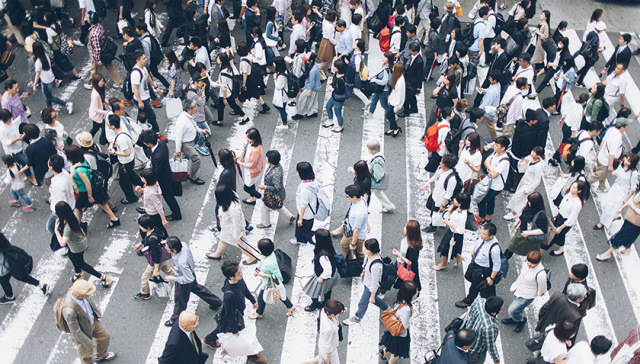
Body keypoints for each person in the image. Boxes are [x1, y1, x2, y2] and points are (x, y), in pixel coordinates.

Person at [201, 261, 267, 364]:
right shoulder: (229, 295)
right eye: (238, 273)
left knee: (222, 328)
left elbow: (245, 290)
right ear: (231, 277)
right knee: (242, 334)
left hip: (237, 313)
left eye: (240, 271)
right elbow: (229, 314)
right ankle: (252, 354)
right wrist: (234, 329)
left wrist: (253, 300)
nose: (241, 274)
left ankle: (208, 339)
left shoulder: (238, 280)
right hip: (235, 317)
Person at [164, 237, 222, 327]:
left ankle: (176, 318)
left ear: (174, 250)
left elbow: (188, 279)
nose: (165, 248)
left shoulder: (181, 262)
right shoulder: (184, 245)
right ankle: (216, 302)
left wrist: (173, 278)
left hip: (184, 280)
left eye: (167, 247)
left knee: (180, 301)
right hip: (191, 272)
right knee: (197, 288)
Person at [54, 201, 113, 286]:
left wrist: (56, 231)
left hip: (77, 247)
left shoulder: (67, 228)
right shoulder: (74, 215)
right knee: (71, 255)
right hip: (80, 240)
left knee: (81, 263)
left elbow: (62, 243)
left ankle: (102, 277)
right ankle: (78, 272)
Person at [60, 280, 117, 364]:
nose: (89, 295)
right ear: (78, 296)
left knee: (105, 336)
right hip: (82, 331)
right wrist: (88, 343)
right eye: (86, 295)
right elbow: (76, 332)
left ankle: (101, 354)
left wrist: (96, 310)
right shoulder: (69, 312)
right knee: (85, 353)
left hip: (92, 321)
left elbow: (88, 300)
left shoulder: (78, 290)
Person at [65, 145, 119, 226]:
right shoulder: (82, 161)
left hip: (85, 191)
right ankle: (114, 218)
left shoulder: (79, 170)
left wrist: (89, 196)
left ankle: (77, 225)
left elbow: (87, 184)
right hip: (93, 188)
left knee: (78, 207)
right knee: (101, 202)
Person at [343, 239, 390, 325]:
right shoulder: (370, 256)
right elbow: (365, 265)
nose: (363, 249)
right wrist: (363, 272)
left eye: (366, 248)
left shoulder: (376, 266)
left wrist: (372, 295)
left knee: (363, 302)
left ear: (371, 250)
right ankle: (388, 309)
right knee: (374, 299)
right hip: (367, 282)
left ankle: (357, 317)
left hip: (370, 286)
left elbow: (375, 283)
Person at [139, 130, 182, 220]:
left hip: (163, 180)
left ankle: (176, 214)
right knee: (167, 196)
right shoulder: (162, 144)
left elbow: (155, 173)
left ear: (148, 143)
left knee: (169, 197)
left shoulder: (157, 157)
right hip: (167, 173)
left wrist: (146, 182)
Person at [249, 238, 296, 319]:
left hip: (268, 283)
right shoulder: (270, 255)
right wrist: (258, 269)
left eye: (259, 248)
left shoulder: (270, 264)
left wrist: (263, 274)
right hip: (268, 283)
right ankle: (291, 307)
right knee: (281, 295)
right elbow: (261, 262)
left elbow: (277, 276)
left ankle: (259, 313)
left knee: (262, 297)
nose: (257, 249)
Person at [502, 250, 548, 334]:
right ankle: (515, 319)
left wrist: (537, 294)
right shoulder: (526, 264)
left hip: (527, 295)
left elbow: (542, 288)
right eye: (528, 261)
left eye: (533, 263)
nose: (529, 264)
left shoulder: (541, 273)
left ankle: (521, 320)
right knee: (517, 309)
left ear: (539, 262)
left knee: (511, 310)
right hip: (518, 288)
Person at [132, 214, 174, 301]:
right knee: (168, 270)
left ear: (147, 227)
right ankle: (182, 279)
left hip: (156, 261)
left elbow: (155, 254)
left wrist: (156, 269)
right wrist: (140, 244)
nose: (140, 227)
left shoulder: (152, 240)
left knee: (145, 278)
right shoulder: (154, 229)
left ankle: (145, 293)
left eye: (141, 226)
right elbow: (146, 238)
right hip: (162, 258)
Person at [0, 232, 50, 304]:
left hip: (4, 265)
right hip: (11, 259)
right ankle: (41, 285)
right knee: (21, 276)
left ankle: (9, 297)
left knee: (4, 280)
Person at [594, 153, 639, 230]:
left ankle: (602, 224)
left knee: (610, 208)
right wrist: (615, 173)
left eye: (629, 161)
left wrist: (627, 199)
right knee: (605, 203)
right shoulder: (622, 164)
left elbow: (633, 187)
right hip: (616, 187)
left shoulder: (634, 173)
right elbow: (617, 172)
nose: (626, 161)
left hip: (622, 192)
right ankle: (614, 217)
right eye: (626, 159)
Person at [106, 114, 144, 204]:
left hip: (126, 162)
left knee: (124, 182)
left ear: (113, 126)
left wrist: (114, 152)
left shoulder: (121, 139)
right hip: (129, 161)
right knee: (131, 176)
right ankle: (144, 186)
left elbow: (126, 153)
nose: (107, 125)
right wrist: (112, 145)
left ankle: (131, 197)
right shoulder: (121, 130)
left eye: (108, 124)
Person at [596, 184, 640, 261]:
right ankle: (627, 248)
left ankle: (608, 253)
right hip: (630, 217)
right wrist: (622, 207)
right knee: (628, 235)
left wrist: (632, 207)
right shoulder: (638, 190)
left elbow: (632, 204)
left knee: (621, 235)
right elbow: (632, 199)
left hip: (636, 222)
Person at [543, 180, 587, 256]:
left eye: (574, 187)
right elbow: (563, 204)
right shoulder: (569, 194)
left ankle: (542, 249)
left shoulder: (577, 204)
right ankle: (561, 249)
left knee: (553, 236)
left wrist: (561, 228)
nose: (571, 188)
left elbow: (571, 219)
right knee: (559, 235)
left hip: (565, 222)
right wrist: (559, 212)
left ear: (579, 191)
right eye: (572, 186)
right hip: (560, 217)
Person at [379, 281, 419, 363]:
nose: (417, 294)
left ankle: (383, 353)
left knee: (391, 345)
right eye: (415, 293)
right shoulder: (406, 309)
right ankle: (390, 362)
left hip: (393, 329)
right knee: (397, 352)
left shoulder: (400, 299)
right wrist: (414, 315)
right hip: (400, 335)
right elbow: (404, 326)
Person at [85, 12, 123, 89]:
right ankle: (119, 82)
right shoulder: (99, 26)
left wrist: (98, 59)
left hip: (97, 55)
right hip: (105, 52)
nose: (87, 19)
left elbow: (97, 48)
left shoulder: (94, 33)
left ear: (92, 20)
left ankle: (92, 83)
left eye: (88, 18)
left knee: (94, 70)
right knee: (110, 67)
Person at [477, 137, 510, 224]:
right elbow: (485, 162)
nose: (494, 146)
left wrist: (490, 168)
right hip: (491, 183)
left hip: (496, 186)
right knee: (491, 200)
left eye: (496, 145)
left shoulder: (504, 161)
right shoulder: (495, 153)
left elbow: (494, 175)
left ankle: (482, 219)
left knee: (481, 201)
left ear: (503, 148)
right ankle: (488, 217)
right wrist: (491, 168)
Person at [258, 150, 295, 228]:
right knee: (277, 205)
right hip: (275, 195)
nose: (266, 158)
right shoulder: (274, 166)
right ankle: (290, 216)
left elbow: (277, 187)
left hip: (273, 194)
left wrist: (265, 187)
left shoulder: (276, 172)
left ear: (271, 160)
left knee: (265, 208)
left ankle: (266, 224)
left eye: (267, 158)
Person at [505, 147, 545, 219]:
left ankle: (514, 213)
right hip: (524, 181)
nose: (532, 152)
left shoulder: (538, 167)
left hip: (528, 185)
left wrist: (528, 189)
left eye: (534, 152)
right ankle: (518, 211)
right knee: (521, 199)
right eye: (532, 150)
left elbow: (537, 181)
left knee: (517, 198)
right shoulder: (530, 158)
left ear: (538, 156)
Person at [303, 229, 338, 311]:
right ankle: (326, 302)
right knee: (327, 289)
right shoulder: (328, 247)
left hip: (323, 276)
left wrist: (321, 277)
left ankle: (314, 304)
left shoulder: (322, 255)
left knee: (313, 290)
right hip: (331, 275)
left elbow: (327, 269)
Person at [422, 154, 458, 233]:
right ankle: (441, 222)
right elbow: (435, 176)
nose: (440, 163)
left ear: (447, 165)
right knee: (429, 206)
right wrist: (427, 183)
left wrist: (443, 205)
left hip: (440, 200)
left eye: (442, 162)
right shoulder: (440, 168)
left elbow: (448, 194)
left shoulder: (451, 179)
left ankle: (433, 227)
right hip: (435, 194)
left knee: (434, 214)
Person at [213, 52, 251, 126]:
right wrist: (217, 82)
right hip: (229, 91)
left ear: (221, 61)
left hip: (226, 93)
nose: (217, 59)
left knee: (221, 107)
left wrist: (224, 98)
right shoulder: (227, 67)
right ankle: (245, 117)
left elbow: (224, 85)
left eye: (218, 58)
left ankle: (220, 121)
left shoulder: (224, 71)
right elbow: (224, 80)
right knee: (233, 105)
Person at [32, 42, 72, 112]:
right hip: (51, 78)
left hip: (45, 81)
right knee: (48, 96)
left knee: (48, 98)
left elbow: (37, 74)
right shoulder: (46, 55)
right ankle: (49, 110)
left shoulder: (38, 62)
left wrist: (34, 84)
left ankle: (66, 104)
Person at [174, 99, 206, 185]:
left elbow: (194, 126)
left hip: (190, 142)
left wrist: (200, 131)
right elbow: (178, 137)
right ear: (189, 109)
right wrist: (178, 150)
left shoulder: (188, 116)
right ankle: (193, 177)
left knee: (184, 158)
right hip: (186, 144)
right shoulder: (182, 121)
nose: (196, 108)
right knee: (196, 159)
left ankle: (181, 174)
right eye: (195, 107)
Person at [331, 184, 369, 258]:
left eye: (347, 196)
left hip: (357, 236)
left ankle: (358, 265)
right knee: (343, 244)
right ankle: (349, 261)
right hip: (350, 231)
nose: (346, 198)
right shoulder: (361, 199)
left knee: (358, 253)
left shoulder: (359, 213)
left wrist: (353, 243)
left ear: (354, 197)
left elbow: (357, 230)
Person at [435, 193, 469, 270]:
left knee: (445, 248)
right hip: (454, 233)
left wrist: (447, 222)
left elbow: (458, 229)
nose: (454, 200)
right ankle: (458, 258)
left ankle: (443, 264)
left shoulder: (461, 215)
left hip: (455, 234)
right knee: (455, 248)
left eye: (456, 199)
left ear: (461, 203)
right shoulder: (460, 209)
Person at [464, 296, 503, 364]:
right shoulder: (489, 327)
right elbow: (490, 346)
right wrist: (496, 361)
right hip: (476, 350)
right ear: (493, 313)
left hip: (467, 336)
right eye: (501, 309)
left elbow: (470, 314)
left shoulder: (479, 301)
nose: (501, 311)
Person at [306, 299, 346, 364]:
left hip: (322, 343)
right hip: (330, 349)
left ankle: (310, 363)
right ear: (333, 315)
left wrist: (341, 311)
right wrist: (328, 357)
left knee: (321, 356)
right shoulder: (329, 329)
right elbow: (327, 344)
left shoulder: (324, 311)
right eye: (339, 313)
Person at [130, 50, 160, 133]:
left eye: (145, 58)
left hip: (145, 96)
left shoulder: (143, 67)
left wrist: (156, 87)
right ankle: (156, 132)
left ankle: (137, 129)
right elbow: (135, 88)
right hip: (141, 98)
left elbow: (148, 77)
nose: (146, 60)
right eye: (143, 59)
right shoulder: (136, 73)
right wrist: (140, 101)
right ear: (137, 60)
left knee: (142, 115)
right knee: (151, 116)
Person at [292, 162, 318, 245]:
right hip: (311, 211)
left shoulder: (305, 189)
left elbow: (304, 204)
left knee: (301, 228)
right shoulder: (313, 181)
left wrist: (300, 218)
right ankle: (303, 239)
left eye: (297, 171)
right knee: (306, 227)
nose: (297, 173)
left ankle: (307, 240)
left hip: (305, 213)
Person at [366, 139, 396, 212]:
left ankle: (363, 209)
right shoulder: (379, 155)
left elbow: (377, 175)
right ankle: (389, 206)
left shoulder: (376, 161)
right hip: (376, 181)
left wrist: (374, 180)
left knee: (365, 194)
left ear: (371, 150)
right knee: (378, 192)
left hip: (374, 181)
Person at [186, 76, 212, 156]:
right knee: (206, 132)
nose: (203, 83)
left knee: (198, 131)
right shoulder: (193, 95)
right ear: (196, 82)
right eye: (201, 82)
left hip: (197, 115)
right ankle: (199, 145)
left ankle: (196, 144)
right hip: (198, 116)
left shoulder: (194, 88)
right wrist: (203, 93)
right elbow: (202, 103)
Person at [363, 52, 393, 120]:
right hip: (379, 88)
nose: (383, 58)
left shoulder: (387, 70)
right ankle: (370, 114)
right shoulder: (384, 65)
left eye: (385, 57)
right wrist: (376, 75)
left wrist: (375, 80)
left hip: (383, 90)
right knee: (373, 101)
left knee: (384, 105)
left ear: (388, 59)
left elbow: (384, 82)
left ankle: (392, 115)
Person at [237, 128, 264, 204]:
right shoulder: (252, 143)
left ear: (253, 139)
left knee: (247, 188)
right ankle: (252, 199)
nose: (247, 139)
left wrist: (240, 163)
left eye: (248, 138)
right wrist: (239, 157)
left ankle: (262, 197)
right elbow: (246, 152)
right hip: (249, 169)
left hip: (253, 171)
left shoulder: (256, 150)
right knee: (251, 184)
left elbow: (252, 165)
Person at [293, 53, 321, 119]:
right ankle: (313, 112)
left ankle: (300, 113)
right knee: (313, 100)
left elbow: (311, 82)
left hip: (310, 87)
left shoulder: (312, 71)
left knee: (302, 100)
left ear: (311, 60)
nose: (305, 61)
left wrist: (309, 91)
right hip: (316, 87)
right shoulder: (315, 65)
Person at [323, 59, 348, 133]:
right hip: (334, 96)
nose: (333, 68)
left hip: (338, 98)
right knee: (328, 107)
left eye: (335, 67)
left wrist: (332, 89)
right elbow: (334, 83)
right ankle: (331, 120)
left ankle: (340, 126)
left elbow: (341, 91)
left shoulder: (341, 79)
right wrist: (331, 85)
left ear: (339, 69)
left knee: (338, 112)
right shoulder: (336, 74)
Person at [400, 42, 424, 118]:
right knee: (411, 96)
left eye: (411, 50)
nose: (409, 52)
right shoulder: (413, 57)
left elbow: (420, 75)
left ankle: (406, 111)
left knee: (406, 97)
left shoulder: (419, 61)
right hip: (408, 79)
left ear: (416, 52)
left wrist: (419, 86)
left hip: (412, 82)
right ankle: (414, 108)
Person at [478, 71, 502, 141]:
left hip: (489, 110)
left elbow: (486, 102)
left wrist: (479, 110)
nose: (489, 79)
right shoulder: (496, 85)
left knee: (490, 125)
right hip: (491, 108)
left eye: (490, 78)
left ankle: (494, 139)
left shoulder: (493, 92)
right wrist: (485, 90)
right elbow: (489, 90)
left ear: (495, 80)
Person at [386, 62, 406, 137]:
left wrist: (397, 106)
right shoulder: (398, 77)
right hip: (393, 99)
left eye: (394, 67)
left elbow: (399, 94)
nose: (392, 68)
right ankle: (392, 128)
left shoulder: (400, 81)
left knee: (388, 115)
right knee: (390, 115)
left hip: (396, 102)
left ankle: (396, 128)